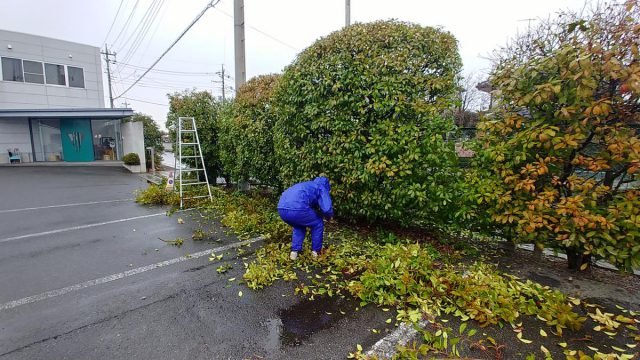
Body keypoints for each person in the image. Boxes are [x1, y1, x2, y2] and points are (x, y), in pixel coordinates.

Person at [277, 176, 334, 260]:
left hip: (281, 208)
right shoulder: (321, 187)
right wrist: (329, 217)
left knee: (299, 225)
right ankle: (315, 252)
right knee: (318, 223)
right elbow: (327, 209)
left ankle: (294, 252)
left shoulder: (308, 185)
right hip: (297, 208)